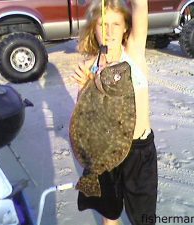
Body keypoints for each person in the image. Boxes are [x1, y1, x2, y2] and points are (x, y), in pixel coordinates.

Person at [71, 0, 158, 224]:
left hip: (138, 151)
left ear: (126, 28)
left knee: (144, 218)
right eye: (102, 24)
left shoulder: (135, 53)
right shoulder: (90, 65)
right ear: (93, 28)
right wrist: (83, 88)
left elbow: (140, 5)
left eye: (116, 24)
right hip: (103, 151)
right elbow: (84, 116)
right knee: (110, 215)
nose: (109, 32)